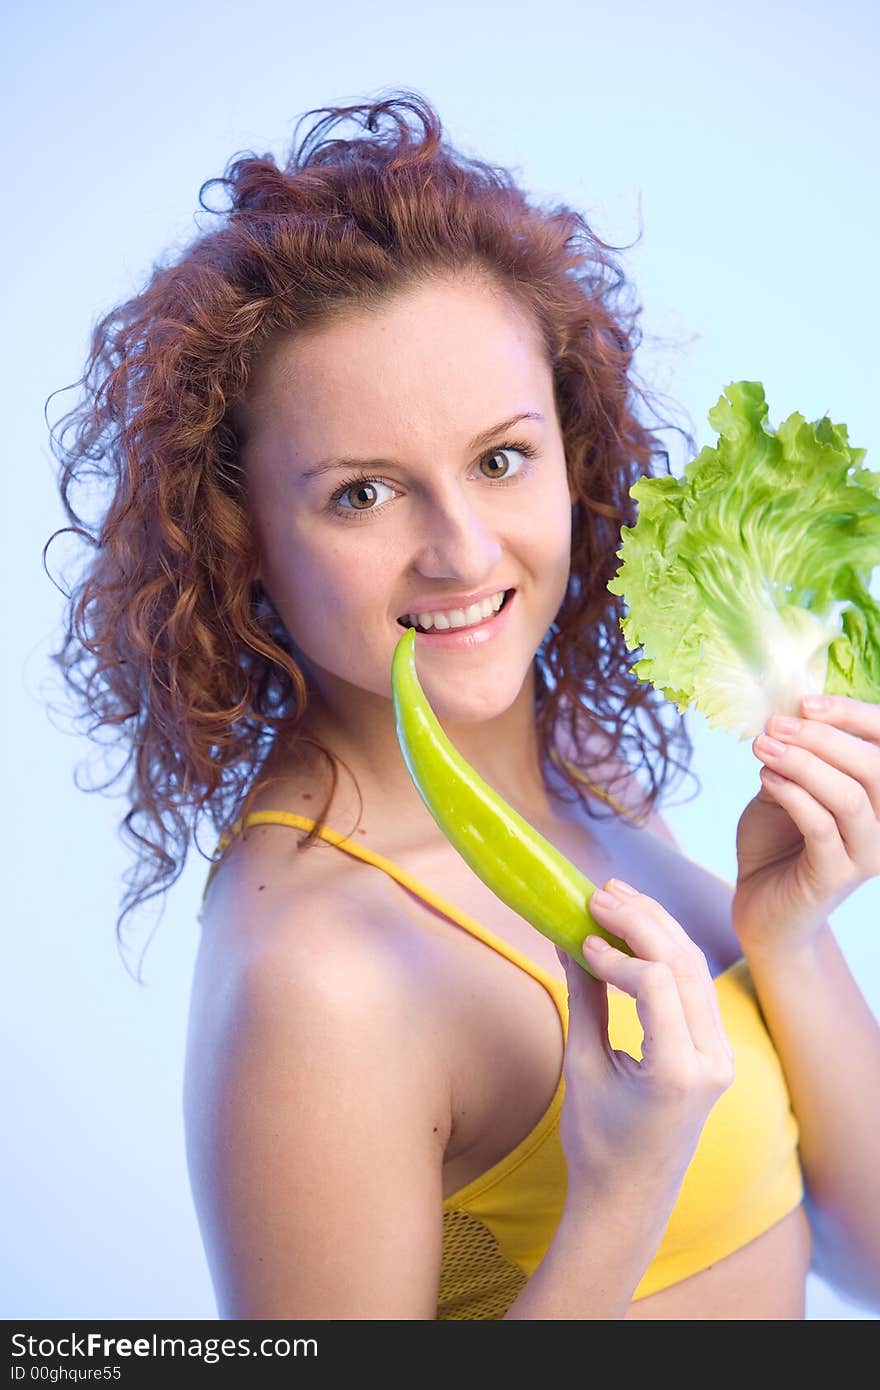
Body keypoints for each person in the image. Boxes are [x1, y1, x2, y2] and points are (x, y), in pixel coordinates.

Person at [46, 90, 880, 1321]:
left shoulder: (585, 765)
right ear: (245, 543)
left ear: (574, 452)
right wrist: (618, 1186)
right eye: (362, 494)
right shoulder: (318, 973)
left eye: (500, 459)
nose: (459, 551)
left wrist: (788, 933)